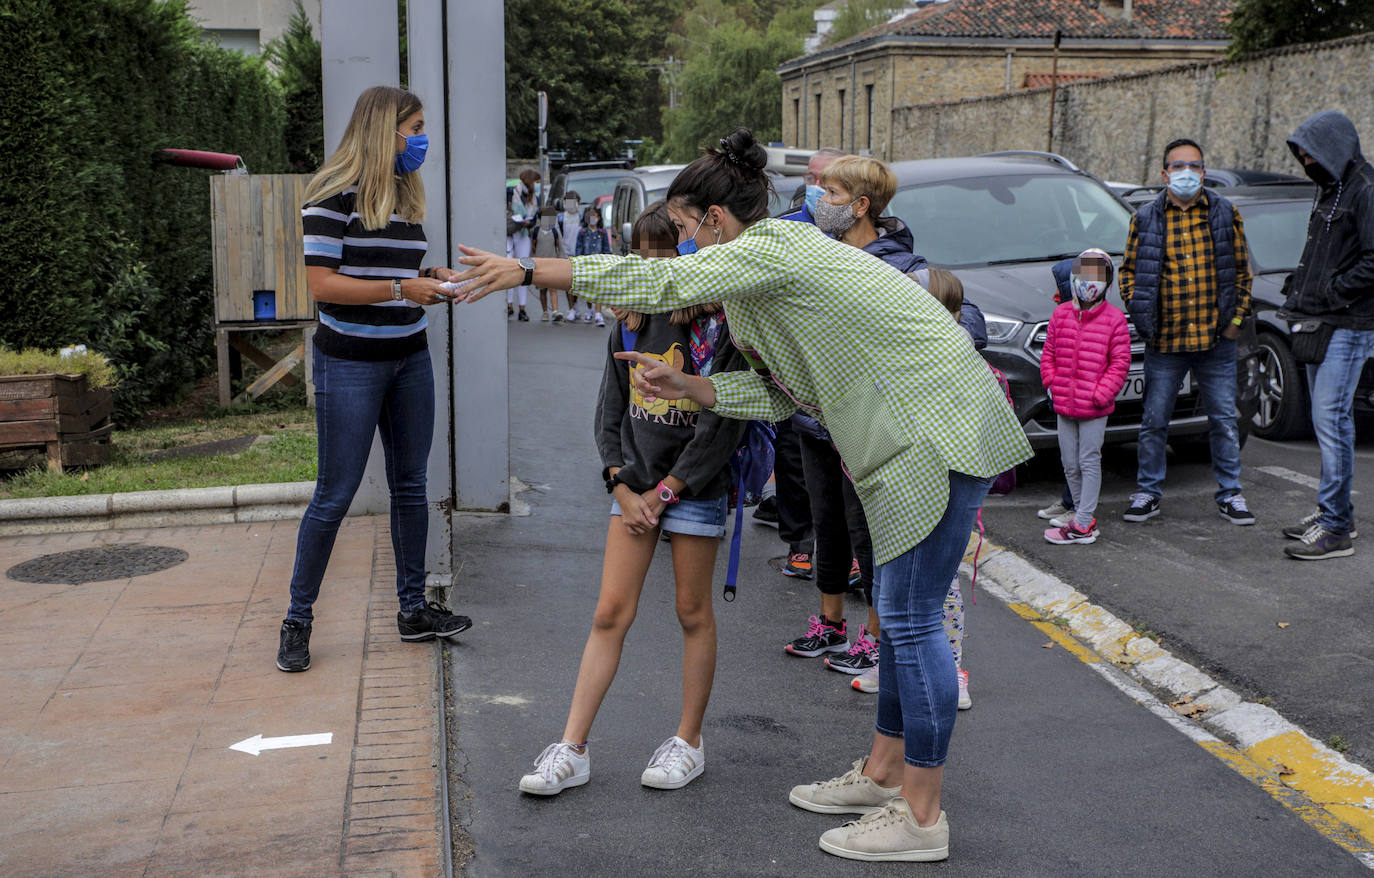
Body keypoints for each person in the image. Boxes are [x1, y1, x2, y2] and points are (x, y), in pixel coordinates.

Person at [454, 127, 1032, 863]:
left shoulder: (770, 249)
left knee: (913, 624)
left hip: (934, 435)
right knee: (897, 613)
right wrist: (697, 386)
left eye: (689, 228)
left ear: (716, 223)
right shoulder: (764, 279)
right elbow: (779, 390)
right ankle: (886, 774)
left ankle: (920, 816)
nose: (686, 243)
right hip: (907, 437)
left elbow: (660, 283)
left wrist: (530, 270)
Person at [516, 202, 747, 796]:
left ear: (690, 257)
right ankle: (571, 748)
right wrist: (619, 482)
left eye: (663, 254)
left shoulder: (721, 324)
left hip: (690, 491)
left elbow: (725, 422)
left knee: (692, 613)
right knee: (608, 614)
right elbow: (610, 409)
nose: (649, 267)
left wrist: (670, 490)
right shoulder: (631, 318)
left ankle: (689, 742)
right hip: (634, 491)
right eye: (640, 255)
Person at [278, 85, 471, 674]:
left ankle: (413, 610)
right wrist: (399, 289)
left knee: (411, 485)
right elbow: (323, 286)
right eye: (414, 127)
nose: (420, 139)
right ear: (384, 130)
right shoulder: (329, 198)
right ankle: (297, 621)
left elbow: (398, 270)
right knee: (334, 495)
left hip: (408, 357)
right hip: (350, 363)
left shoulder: (406, 197)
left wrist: (433, 277)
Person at [786, 155, 923, 674]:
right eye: (820, 190)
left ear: (862, 206)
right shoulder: (818, 256)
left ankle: (876, 635)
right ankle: (831, 623)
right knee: (827, 524)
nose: (819, 200)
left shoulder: (899, 265)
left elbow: (960, 316)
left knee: (868, 532)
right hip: (817, 423)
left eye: (833, 193)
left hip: (866, 427)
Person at [1119, 137, 1255, 526]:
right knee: (1154, 421)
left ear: (1204, 171)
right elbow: (1129, 274)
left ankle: (1231, 494)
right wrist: (1143, 316)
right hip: (1166, 341)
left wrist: (1234, 324)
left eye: (1194, 166)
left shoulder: (1225, 212)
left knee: (1224, 420)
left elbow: (1243, 272)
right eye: (1178, 167)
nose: (1186, 173)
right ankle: (1148, 492)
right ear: (1164, 174)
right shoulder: (1145, 217)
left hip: (1216, 343)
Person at [1278, 111, 1374, 560]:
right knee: (1329, 422)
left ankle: (1336, 530)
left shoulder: (1365, 190)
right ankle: (1336, 513)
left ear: (1334, 146)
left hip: (1349, 324)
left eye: (1310, 151)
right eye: (1300, 153)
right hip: (1323, 321)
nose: (1304, 159)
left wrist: (1331, 291)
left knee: (1332, 422)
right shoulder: (1332, 189)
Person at [1040, 249, 1131, 545]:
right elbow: (1049, 354)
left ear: (1107, 282)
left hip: (1094, 406)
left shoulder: (1115, 320)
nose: (1087, 283)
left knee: (1089, 460)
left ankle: (1081, 522)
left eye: (1096, 277)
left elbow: (1120, 363)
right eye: (1083, 275)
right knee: (1069, 463)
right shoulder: (1061, 313)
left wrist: (1100, 393)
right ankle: (1083, 519)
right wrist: (1051, 382)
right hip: (1065, 403)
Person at [506, 169, 539, 321]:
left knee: (524, 270)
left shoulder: (534, 198)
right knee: (508, 268)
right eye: (536, 181)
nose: (537, 184)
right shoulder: (511, 192)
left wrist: (528, 222)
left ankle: (522, 308)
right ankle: (509, 305)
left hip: (524, 233)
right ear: (530, 180)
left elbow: (534, 218)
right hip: (510, 233)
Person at [574, 204, 611, 326]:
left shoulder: (602, 232)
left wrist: (609, 261)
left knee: (598, 289)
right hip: (587, 265)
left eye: (594, 215)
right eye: (589, 215)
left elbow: (606, 248)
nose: (592, 218)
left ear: (599, 217)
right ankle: (590, 309)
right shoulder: (583, 232)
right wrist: (578, 262)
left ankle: (598, 314)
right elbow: (579, 249)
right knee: (589, 289)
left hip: (599, 264)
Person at [531, 205, 566, 321]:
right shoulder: (536, 231)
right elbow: (532, 248)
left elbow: (560, 247)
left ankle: (555, 311)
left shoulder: (555, 231)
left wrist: (562, 260)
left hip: (553, 263)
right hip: (539, 264)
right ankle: (545, 311)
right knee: (542, 290)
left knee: (553, 288)